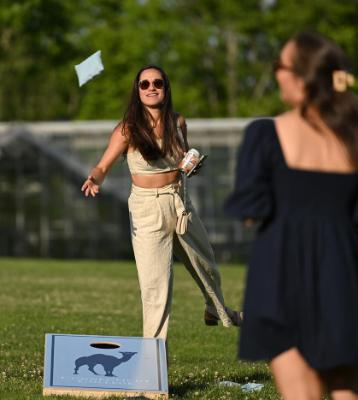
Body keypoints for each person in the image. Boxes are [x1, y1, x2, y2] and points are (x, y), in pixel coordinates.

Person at [225, 32, 358, 400]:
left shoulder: (265, 135)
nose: (276, 75)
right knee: (349, 391)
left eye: (279, 67)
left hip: (279, 281)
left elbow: (252, 213)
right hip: (346, 281)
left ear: (301, 76)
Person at [81, 65, 242, 340]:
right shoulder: (127, 129)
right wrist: (94, 179)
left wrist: (192, 163)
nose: (151, 88)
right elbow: (103, 166)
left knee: (208, 267)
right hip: (147, 209)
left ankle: (215, 310)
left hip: (180, 201)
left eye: (157, 83)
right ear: (138, 91)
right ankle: (151, 365)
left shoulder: (177, 122)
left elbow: (183, 158)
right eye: (145, 84)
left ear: (166, 88)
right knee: (156, 288)